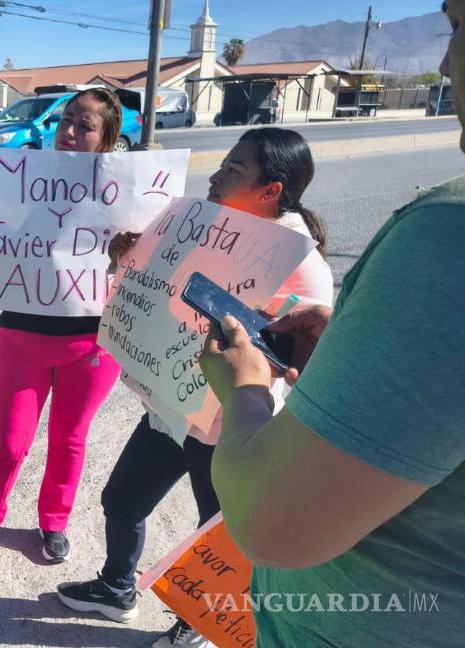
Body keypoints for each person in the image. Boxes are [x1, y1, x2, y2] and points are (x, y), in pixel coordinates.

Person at [199, 3, 465, 644]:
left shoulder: (447, 239)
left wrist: (244, 388)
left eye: (458, 27)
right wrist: (354, 343)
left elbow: (273, 523)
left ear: (271, 189)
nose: (445, 62)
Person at [57, 128, 334, 648]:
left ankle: (199, 625)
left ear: (270, 191)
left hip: (229, 424)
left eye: (233, 170)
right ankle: (117, 588)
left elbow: (310, 355)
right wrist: (129, 260)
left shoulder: (302, 263)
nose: (216, 175)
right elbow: (158, 293)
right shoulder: (201, 226)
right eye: (224, 164)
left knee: (217, 538)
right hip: (171, 405)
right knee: (121, 499)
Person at [0, 88, 126, 566]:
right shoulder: (21, 180)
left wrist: (131, 246)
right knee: (9, 442)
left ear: (105, 140)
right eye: (66, 120)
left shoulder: (123, 197)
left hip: (91, 344)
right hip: (20, 337)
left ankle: (55, 522)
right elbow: (0, 242)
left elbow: (147, 266)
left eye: (85, 126)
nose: (69, 132)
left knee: (69, 441)